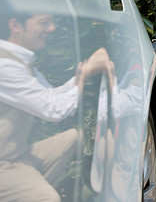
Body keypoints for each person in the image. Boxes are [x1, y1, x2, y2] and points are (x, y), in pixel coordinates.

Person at [0, 11, 112, 202]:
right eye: (44, 22)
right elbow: (54, 109)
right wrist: (86, 73)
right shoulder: (5, 67)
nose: (51, 28)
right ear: (15, 26)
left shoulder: (21, 62)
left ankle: (25, 190)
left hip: (18, 156)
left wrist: (83, 70)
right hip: (4, 164)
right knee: (46, 197)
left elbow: (51, 96)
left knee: (73, 138)